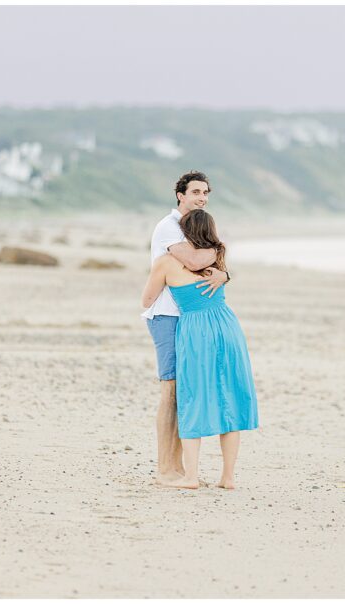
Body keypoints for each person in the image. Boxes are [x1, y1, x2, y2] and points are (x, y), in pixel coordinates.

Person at [142, 209, 259, 489]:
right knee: (230, 398)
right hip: (227, 327)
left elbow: (147, 300)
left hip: (195, 329)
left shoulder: (166, 263)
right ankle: (227, 478)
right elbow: (220, 276)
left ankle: (190, 477)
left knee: (192, 396)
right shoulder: (217, 260)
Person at [142, 171, 229, 485]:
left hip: (191, 319)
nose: (201, 198)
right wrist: (219, 255)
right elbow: (194, 262)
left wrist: (223, 271)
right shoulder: (169, 228)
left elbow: (209, 263)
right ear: (180, 194)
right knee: (172, 392)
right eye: (195, 192)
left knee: (185, 392)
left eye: (205, 193)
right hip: (167, 316)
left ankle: (180, 468)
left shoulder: (193, 228)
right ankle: (166, 469)